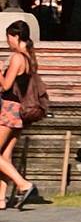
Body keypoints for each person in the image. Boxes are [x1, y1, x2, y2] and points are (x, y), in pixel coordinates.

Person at [0, 17, 46, 208]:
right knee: (5, 156)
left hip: (9, 109)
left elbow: (6, 85)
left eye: (8, 37)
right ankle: (1, 199)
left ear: (16, 36)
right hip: (20, 111)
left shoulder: (17, 57)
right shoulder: (29, 57)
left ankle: (24, 184)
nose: (7, 41)